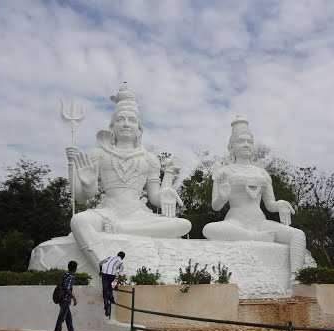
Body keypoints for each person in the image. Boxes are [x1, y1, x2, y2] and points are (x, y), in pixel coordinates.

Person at [66, 83, 191, 270]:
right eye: (121, 119)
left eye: (131, 120)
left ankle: (121, 230)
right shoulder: (99, 154)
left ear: (139, 129)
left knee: (183, 225)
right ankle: (105, 265)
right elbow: (81, 198)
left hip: (138, 215)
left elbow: (156, 199)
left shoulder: (150, 159)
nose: (126, 124)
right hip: (107, 211)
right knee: (78, 220)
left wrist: (169, 176)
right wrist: (85, 182)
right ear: (112, 126)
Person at [202, 116, 310, 282]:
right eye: (241, 141)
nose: (246, 145)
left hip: (260, 221)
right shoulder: (224, 172)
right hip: (235, 220)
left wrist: (280, 204)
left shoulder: (262, 174)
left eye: (249, 141)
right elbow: (216, 206)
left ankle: (297, 277)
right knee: (209, 229)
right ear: (232, 147)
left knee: (298, 235)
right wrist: (223, 196)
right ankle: (255, 237)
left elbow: (270, 205)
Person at [53, 260, 78, 331]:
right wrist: (74, 298)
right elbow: (67, 288)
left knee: (68, 318)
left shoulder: (65, 274)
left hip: (61, 298)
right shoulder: (71, 276)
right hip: (65, 299)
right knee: (61, 317)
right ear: (75, 268)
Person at [99, 251, 125, 318]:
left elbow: (100, 263)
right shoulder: (121, 262)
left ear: (117, 255)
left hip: (104, 274)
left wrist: (100, 271)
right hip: (112, 275)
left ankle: (106, 305)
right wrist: (115, 283)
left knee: (105, 290)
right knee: (110, 288)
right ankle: (111, 299)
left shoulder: (110, 257)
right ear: (123, 257)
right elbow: (120, 275)